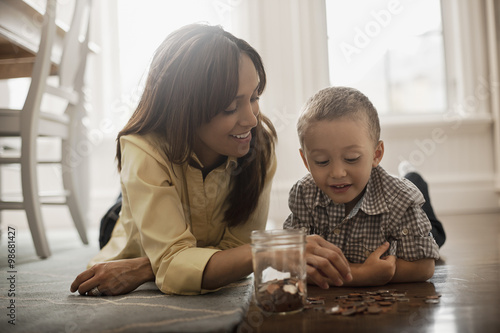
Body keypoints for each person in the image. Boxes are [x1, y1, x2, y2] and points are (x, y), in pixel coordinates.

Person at [70, 24, 352, 296]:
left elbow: (236, 251)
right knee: (128, 207)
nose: (251, 119)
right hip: (134, 235)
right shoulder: (144, 148)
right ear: (185, 109)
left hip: (187, 230)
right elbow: (179, 263)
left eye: (254, 97)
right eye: (230, 107)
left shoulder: (259, 145)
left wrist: (148, 268)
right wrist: (272, 248)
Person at [284, 86, 442, 287]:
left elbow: (424, 267)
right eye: (322, 161)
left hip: (406, 226)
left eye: (351, 158)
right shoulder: (303, 194)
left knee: (436, 233)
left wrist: (374, 274)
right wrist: (360, 274)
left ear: (376, 154)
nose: (337, 173)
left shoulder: (403, 199)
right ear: (306, 161)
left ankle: (414, 177)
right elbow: (291, 261)